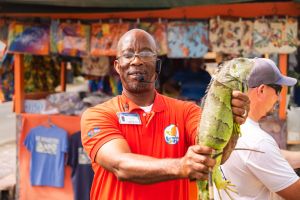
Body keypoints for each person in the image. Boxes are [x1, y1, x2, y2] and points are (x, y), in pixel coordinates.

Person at [81, 29, 250, 200]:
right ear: (117, 66)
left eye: (146, 53)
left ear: (157, 65)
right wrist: (181, 167)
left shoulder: (187, 111)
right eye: (128, 54)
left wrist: (232, 122)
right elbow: (120, 165)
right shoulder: (97, 115)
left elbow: (213, 154)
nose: (137, 60)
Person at [214, 58, 300, 200]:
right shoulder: (257, 141)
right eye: (278, 90)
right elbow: (296, 192)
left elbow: (271, 157)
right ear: (261, 90)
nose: (279, 98)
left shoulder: (229, 125)